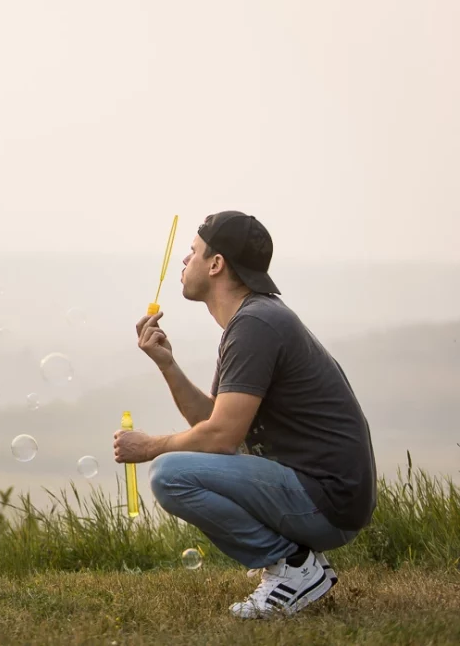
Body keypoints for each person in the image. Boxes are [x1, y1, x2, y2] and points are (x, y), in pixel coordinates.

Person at [113, 211, 376, 619]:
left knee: (169, 474)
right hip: (324, 496)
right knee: (178, 467)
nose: (185, 262)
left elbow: (220, 438)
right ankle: (300, 564)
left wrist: (149, 447)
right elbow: (217, 423)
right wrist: (168, 365)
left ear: (216, 264)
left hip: (327, 502)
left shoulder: (255, 324)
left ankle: (292, 567)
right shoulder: (252, 320)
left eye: (193, 252)